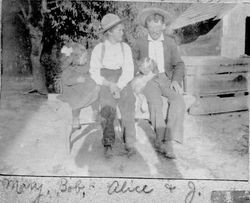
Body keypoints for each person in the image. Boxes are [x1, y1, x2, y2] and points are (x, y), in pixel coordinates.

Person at [135, 8, 186, 159]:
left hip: (166, 79)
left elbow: (180, 64)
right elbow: (131, 61)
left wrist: (176, 80)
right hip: (149, 79)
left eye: (158, 27)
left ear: (164, 26)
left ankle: (168, 139)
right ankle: (160, 141)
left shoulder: (170, 43)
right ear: (147, 27)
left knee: (178, 100)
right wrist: (141, 69)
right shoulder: (140, 43)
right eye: (152, 27)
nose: (155, 30)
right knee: (156, 103)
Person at [89, 13, 136, 158]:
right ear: (109, 32)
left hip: (122, 80)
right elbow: (94, 72)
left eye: (122, 29)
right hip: (106, 81)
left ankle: (129, 140)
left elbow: (129, 71)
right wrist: (109, 85)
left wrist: (119, 86)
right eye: (119, 30)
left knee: (129, 101)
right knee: (107, 106)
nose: (123, 32)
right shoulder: (99, 49)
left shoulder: (125, 48)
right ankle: (108, 142)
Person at [58, 42, 100, 129]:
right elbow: (65, 80)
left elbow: (88, 73)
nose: (86, 59)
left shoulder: (81, 66)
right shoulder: (68, 70)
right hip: (71, 92)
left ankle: (95, 112)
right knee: (76, 105)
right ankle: (75, 120)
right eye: (84, 57)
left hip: (79, 90)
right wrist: (76, 80)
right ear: (76, 58)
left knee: (96, 90)